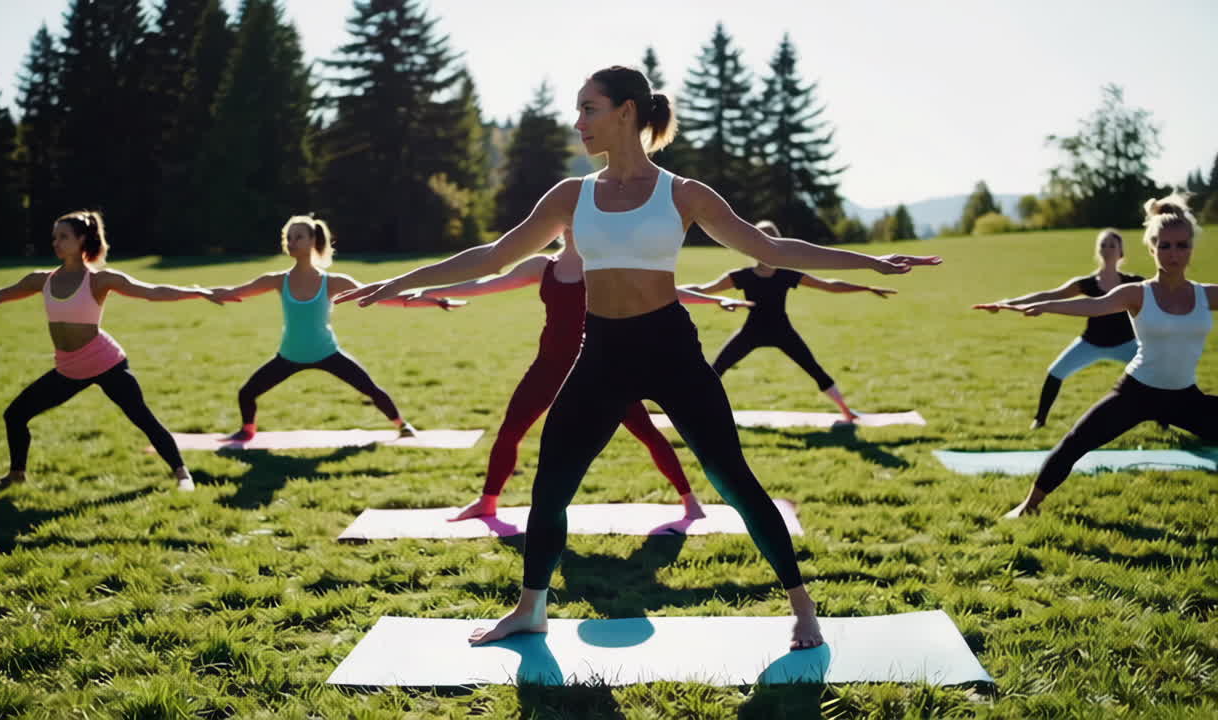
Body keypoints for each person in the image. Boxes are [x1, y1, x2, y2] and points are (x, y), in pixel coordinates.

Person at [334, 66, 939, 649]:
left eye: (589, 109)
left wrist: (870, 261)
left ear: (627, 113)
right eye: (577, 111)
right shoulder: (573, 195)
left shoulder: (683, 194)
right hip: (601, 351)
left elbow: (768, 246)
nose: (578, 123)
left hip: (670, 348)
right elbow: (493, 255)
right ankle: (530, 609)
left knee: (735, 482)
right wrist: (404, 282)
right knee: (550, 488)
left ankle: (802, 603)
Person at [407, 228, 751, 522]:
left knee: (645, 431)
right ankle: (488, 502)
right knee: (511, 428)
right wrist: (434, 290)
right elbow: (488, 284)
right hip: (550, 366)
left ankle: (690, 501)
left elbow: (663, 293)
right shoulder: (542, 265)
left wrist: (713, 301)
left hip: (601, 365)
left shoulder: (604, 266)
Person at [0, 210, 222, 491]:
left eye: (63, 237)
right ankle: (16, 475)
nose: (56, 242)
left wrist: (197, 291)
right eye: (54, 237)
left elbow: (152, 291)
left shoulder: (99, 280)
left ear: (81, 239)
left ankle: (183, 474)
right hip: (69, 369)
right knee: (15, 415)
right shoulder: (42, 279)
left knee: (142, 417)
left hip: (106, 362)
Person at [976, 194, 1215, 518]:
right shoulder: (1137, 292)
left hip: (1184, 396)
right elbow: (1093, 305)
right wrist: (1042, 306)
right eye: (1165, 246)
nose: (1174, 254)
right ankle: (1028, 506)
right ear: (1152, 248)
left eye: (1182, 245)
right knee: (1077, 441)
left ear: (1191, 248)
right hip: (1136, 392)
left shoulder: (1207, 294)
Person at [208, 215, 457, 442]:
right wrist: (200, 293)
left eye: (299, 237)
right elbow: (235, 293)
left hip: (326, 352)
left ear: (312, 240)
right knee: (246, 393)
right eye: (288, 238)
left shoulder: (333, 282)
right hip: (289, 355)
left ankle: (402, 425)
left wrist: (433, 300)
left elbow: (382, 296)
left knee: (371, 389)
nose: (292, 242)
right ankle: (247, 431)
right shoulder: (276, 279)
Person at [685, 219, 896, 423]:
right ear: (750, 246)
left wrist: (867, 288)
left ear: (777, 243)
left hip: (782, 332)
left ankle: (847, 412)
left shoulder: (786, 274)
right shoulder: (742, 276)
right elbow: (703, 290)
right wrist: (666, 291)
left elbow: (827, 285)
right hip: (752, 332)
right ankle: (695, 412)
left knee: (814, 369)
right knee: (715, 370)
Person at [974, 229, 1143, 428]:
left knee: (1156, 373)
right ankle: (1040, 420)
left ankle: (1163, 419)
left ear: (1121, 252)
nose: (1106, 249)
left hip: (1126, 344)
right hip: (1091, 343)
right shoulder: (1086, 283)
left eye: (1111, 245)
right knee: (1055, 372)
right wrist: (1005, 303)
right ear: (1098, 251)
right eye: (1102, 245)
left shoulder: (1134, 282)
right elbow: (1047, 296)